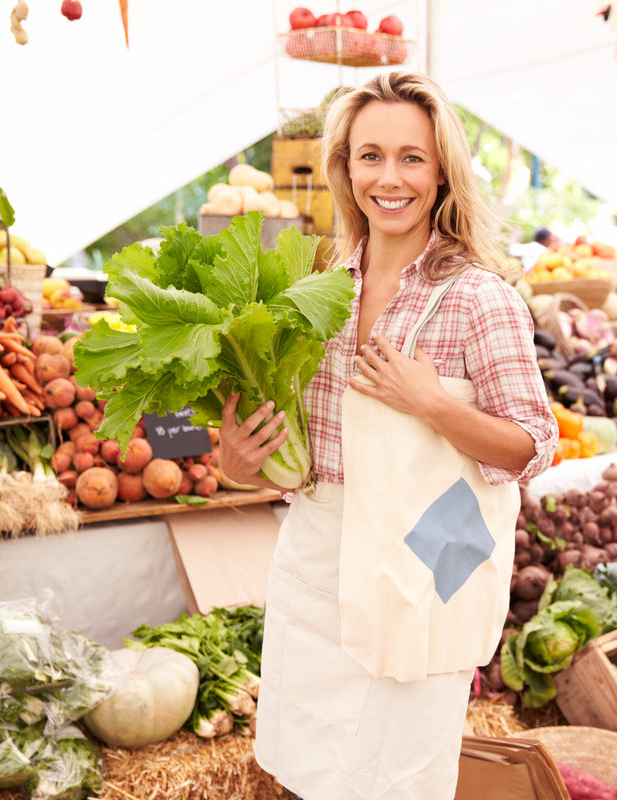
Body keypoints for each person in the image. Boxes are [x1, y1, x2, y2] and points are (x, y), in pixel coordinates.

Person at [218, 72, 558, 797]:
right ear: (344, 169)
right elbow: (286, 458)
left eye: (412, 157)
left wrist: (433, 404)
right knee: (312, 767)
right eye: (370, 156)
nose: (390, 177)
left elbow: (534, 446)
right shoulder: (317, 292)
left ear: (441, 174)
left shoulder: (478, 295)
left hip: (429, 546)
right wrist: (238, 461)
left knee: (398, 773)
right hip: (317, 552)